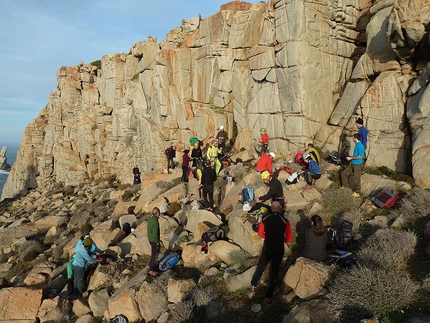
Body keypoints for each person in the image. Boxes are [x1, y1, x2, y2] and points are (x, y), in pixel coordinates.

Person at [250, 201, 293, 303]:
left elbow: (260, 234)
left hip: (267, 247)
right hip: (278, 249)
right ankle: (269, 295)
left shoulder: (265, 219)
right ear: (280, 208)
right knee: (274, 271)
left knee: (261, 266)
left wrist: (268, 238)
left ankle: (253, 284)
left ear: (272, 209)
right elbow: (289, 238)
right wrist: (281, 240)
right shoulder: (284, 221)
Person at [341, 133, 364, 197]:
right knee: (344, 174)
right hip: (353, 163)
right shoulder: (357, 144)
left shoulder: (360, 146)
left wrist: (351, 158)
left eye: (353, 137)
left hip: (357, 165)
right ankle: (344, 186)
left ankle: (357, 192)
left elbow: (360, 156)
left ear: (356, 138)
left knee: (356, 179)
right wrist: (351, 157)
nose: (352, 139)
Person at [148, 207, 161, 277]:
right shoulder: (155, 221)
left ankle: (150, 265)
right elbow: (155, 234)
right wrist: (158, 242)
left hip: (150, 239)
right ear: (158, 213)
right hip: (154, 240)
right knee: (155, 254)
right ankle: (151, 270)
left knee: (153, 253)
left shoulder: (150, 219)